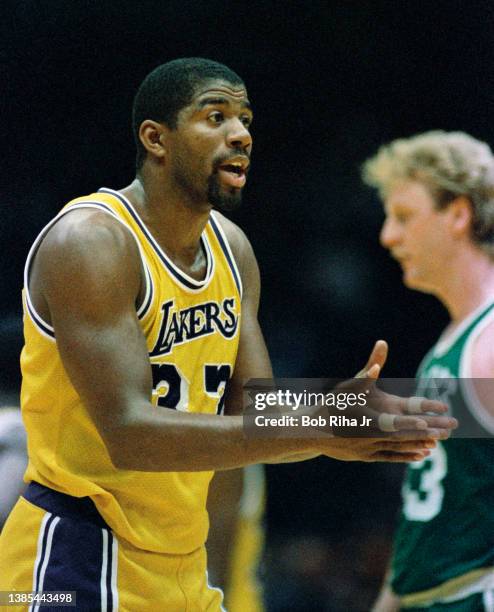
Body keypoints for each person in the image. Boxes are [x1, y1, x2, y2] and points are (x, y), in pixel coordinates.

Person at [0, 59, 454, 611]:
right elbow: (129, 432)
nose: (240, 134)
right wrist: (318, 431)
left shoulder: (232, 249)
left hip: (178, 564)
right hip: (72, 556)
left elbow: (255, 415)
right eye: (215, 116)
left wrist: (340, 415)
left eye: (245, 120)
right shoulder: (92, 242)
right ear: (156, 138)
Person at [363, 130, 494, 611]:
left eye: (404, 216)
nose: (388, 235)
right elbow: (428, 513)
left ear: (458, 214)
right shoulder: (452, 340)